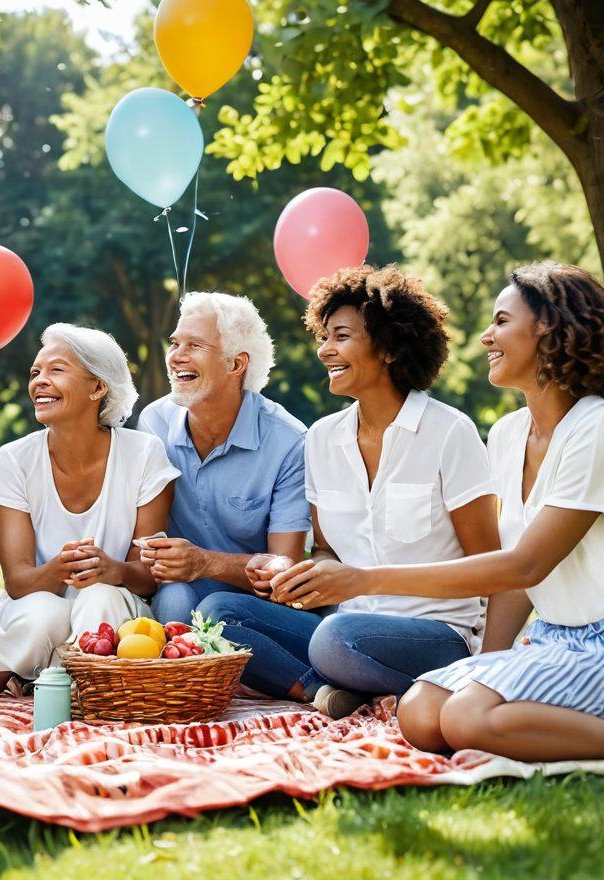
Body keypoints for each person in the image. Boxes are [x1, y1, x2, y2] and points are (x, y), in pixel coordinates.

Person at [271, 262, 604, 759]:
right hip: (550, 638)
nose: (486, 337)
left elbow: (524, 565)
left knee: (465, 716)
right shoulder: (510, 434)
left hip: (596, 643)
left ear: (550, 329)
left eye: (501, 321)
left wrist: (364, 579)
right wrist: (493, 666)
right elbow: (511, 583)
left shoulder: (594, 427)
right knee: (422, 713)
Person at [200, 265, 501, 717]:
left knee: (334, 639)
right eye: (324, 336)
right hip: (344, 629)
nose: (324, 350)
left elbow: (492, 568)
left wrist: (493, 669)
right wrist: (302, 576)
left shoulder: (449, 432)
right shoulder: (321, 438)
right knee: (217, 612)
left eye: (341, 336)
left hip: (435, 635)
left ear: (389, 348)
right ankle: (325, 692)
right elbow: (325, 551)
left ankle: (336, 681)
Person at [0, 324, 179, 695]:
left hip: (114, 607)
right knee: (45, 613)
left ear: (98, 387)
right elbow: (18, 582)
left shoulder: (144, 453)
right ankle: (55, 675)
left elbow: (148, 577)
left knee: (98, 597)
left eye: (56, 370)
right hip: (36, 607)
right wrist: (58, 569)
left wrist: (110, 569)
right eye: (36, 372)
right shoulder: (14, 459)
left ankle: (47, 676)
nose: (40, 381)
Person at [138, 292, 310, 624]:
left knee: (212, 605)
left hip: (252, 606)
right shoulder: (153, 423)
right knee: (175, 596)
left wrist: (205, 562)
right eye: (175, 344)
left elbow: (281, 570)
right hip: (174, 593)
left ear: (235, 364)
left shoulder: (289, 442)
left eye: (194, 346)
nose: (176, 357)